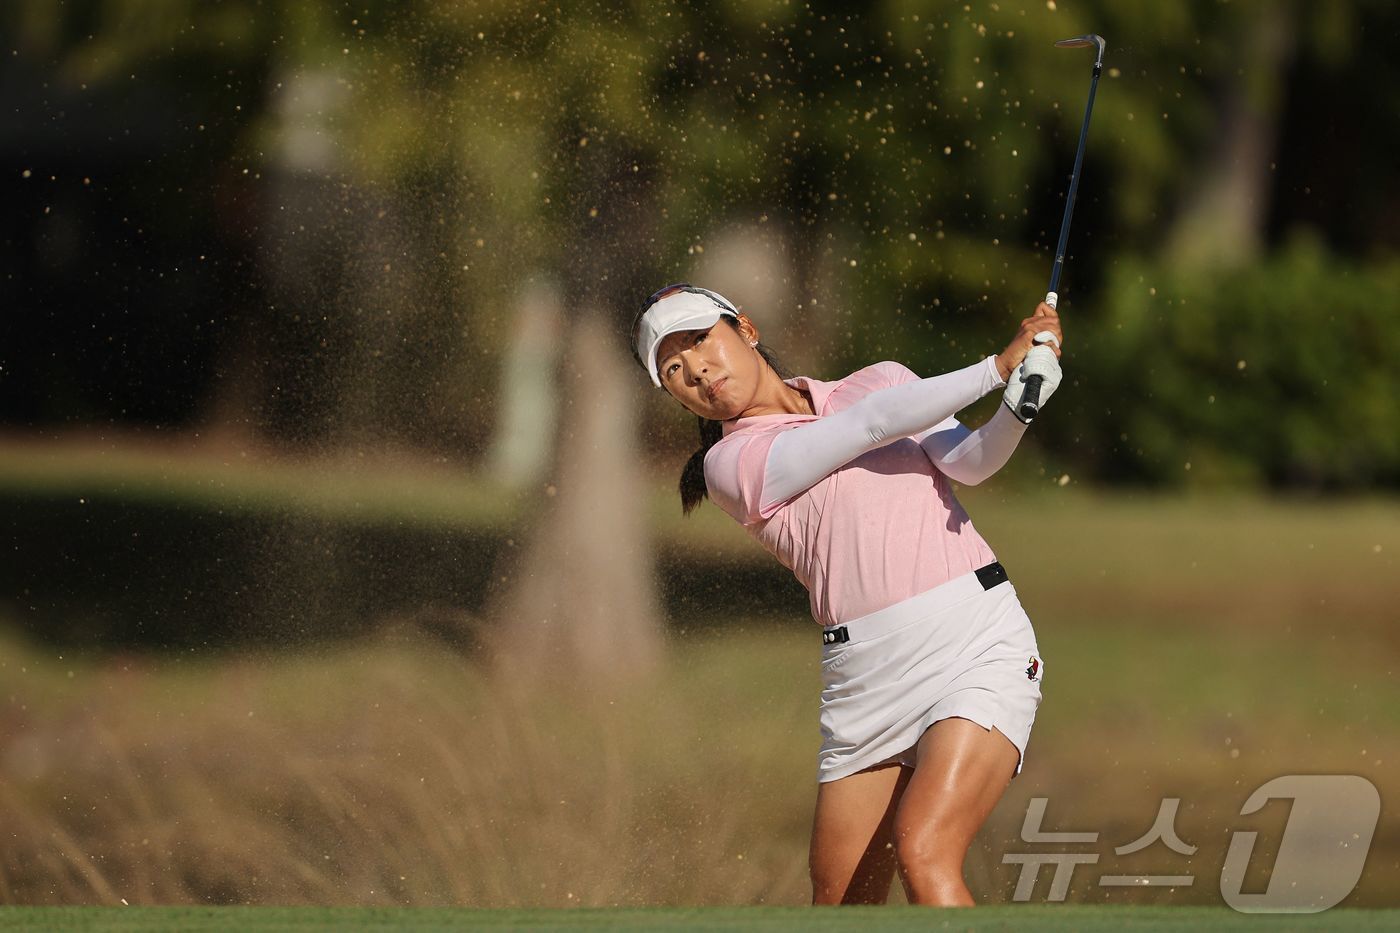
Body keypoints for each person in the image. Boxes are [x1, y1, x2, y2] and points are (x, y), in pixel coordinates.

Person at [630, 283, 1064, 907]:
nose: (696, 369)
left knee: (925, 850)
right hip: (864, 679)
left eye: (701, 340)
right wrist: (996, 367)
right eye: (673, 368)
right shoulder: (731, 464)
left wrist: (1018, 405)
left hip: (973, 640)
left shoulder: (881, 380)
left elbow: (969, 462)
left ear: (745, 329)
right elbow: (870, 426)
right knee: (840, 906)